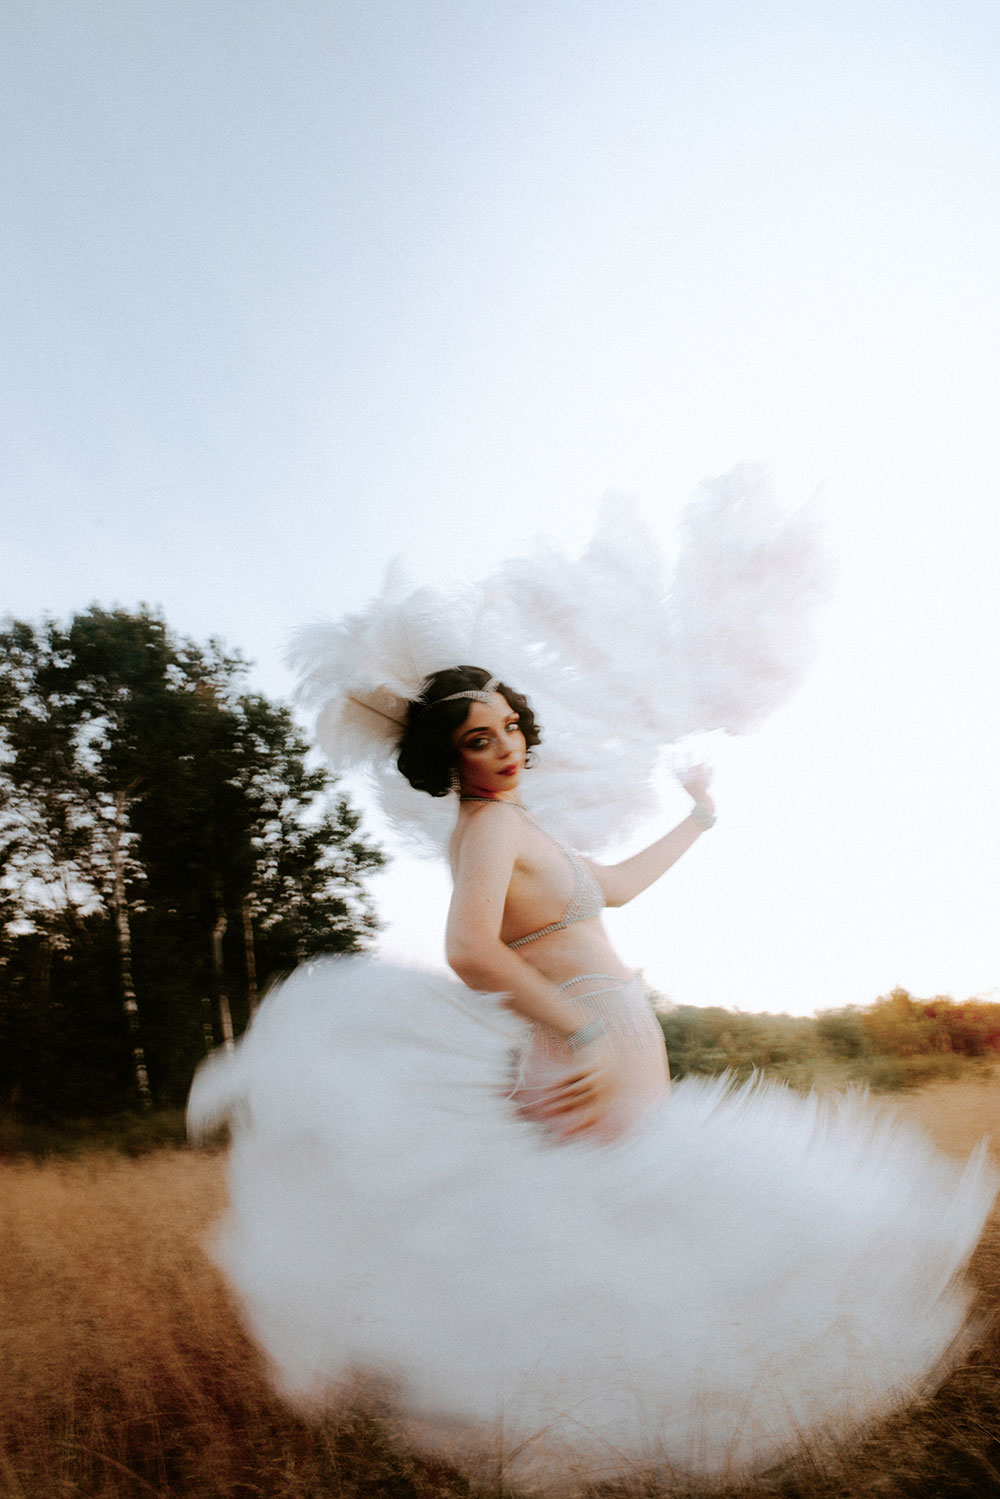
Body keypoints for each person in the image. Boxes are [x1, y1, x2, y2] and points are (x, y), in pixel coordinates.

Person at [189, 658, 996, 1491]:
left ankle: (583, 1442)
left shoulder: (520, 824)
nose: (505, 747)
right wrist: (579, 1028)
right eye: (478, 739)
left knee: (627, 1227)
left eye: (509, 727)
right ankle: (577, 1440)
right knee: (651, 1223)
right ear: (450, 759)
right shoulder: (491, 831)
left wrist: (700, 818)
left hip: (605, 1044)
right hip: (583, 1046)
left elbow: (614, 887)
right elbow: (468, 948)